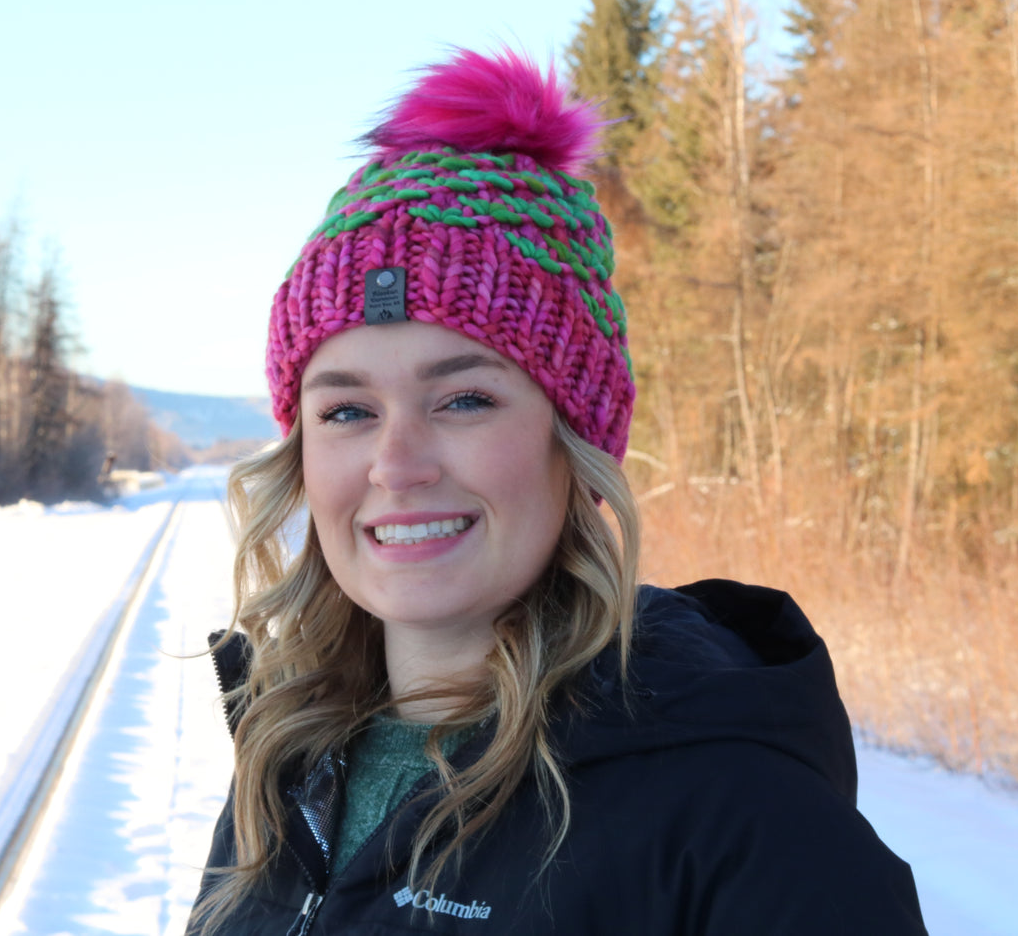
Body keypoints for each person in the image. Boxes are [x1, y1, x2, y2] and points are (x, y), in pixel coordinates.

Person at [189, 48, 927, 935]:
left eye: (464, 398)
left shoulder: (742, 817)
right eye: (346, 409)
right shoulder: (286, 765)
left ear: (574, 443)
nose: (396, 462)